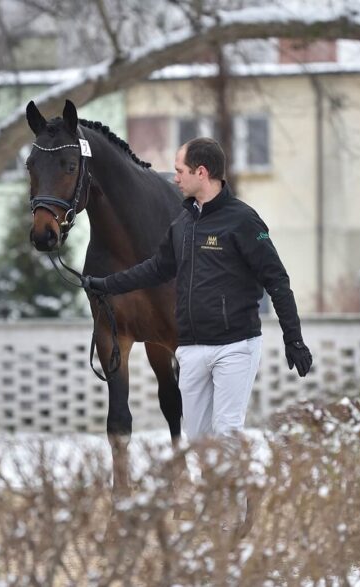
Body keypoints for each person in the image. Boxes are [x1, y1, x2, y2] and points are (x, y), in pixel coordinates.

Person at [82, 137, 312, 446]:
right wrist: (105, 284)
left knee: (227, 434)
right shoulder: (183, 222)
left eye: (180, 171)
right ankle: (219, 496)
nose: (174, 178)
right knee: (201, 444)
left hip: (235, 346)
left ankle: (234, 495)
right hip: (190, 349)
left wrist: (293, 337)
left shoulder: (243, 220)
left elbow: (277, 280)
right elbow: (156, 268)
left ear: (200, 172)